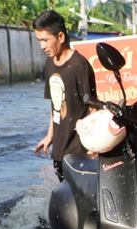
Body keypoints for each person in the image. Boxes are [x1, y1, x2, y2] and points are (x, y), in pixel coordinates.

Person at [32, 10, 96, 180]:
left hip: (80, 152)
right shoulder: (49, 65)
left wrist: (93, 148)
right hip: (59, 152)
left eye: (45, 40)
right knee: (65, 200)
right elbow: (55, 106)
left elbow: (92, 108)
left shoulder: (79, 65)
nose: (42, 46)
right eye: (39, 41)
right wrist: (50, 136)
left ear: (60, 37)